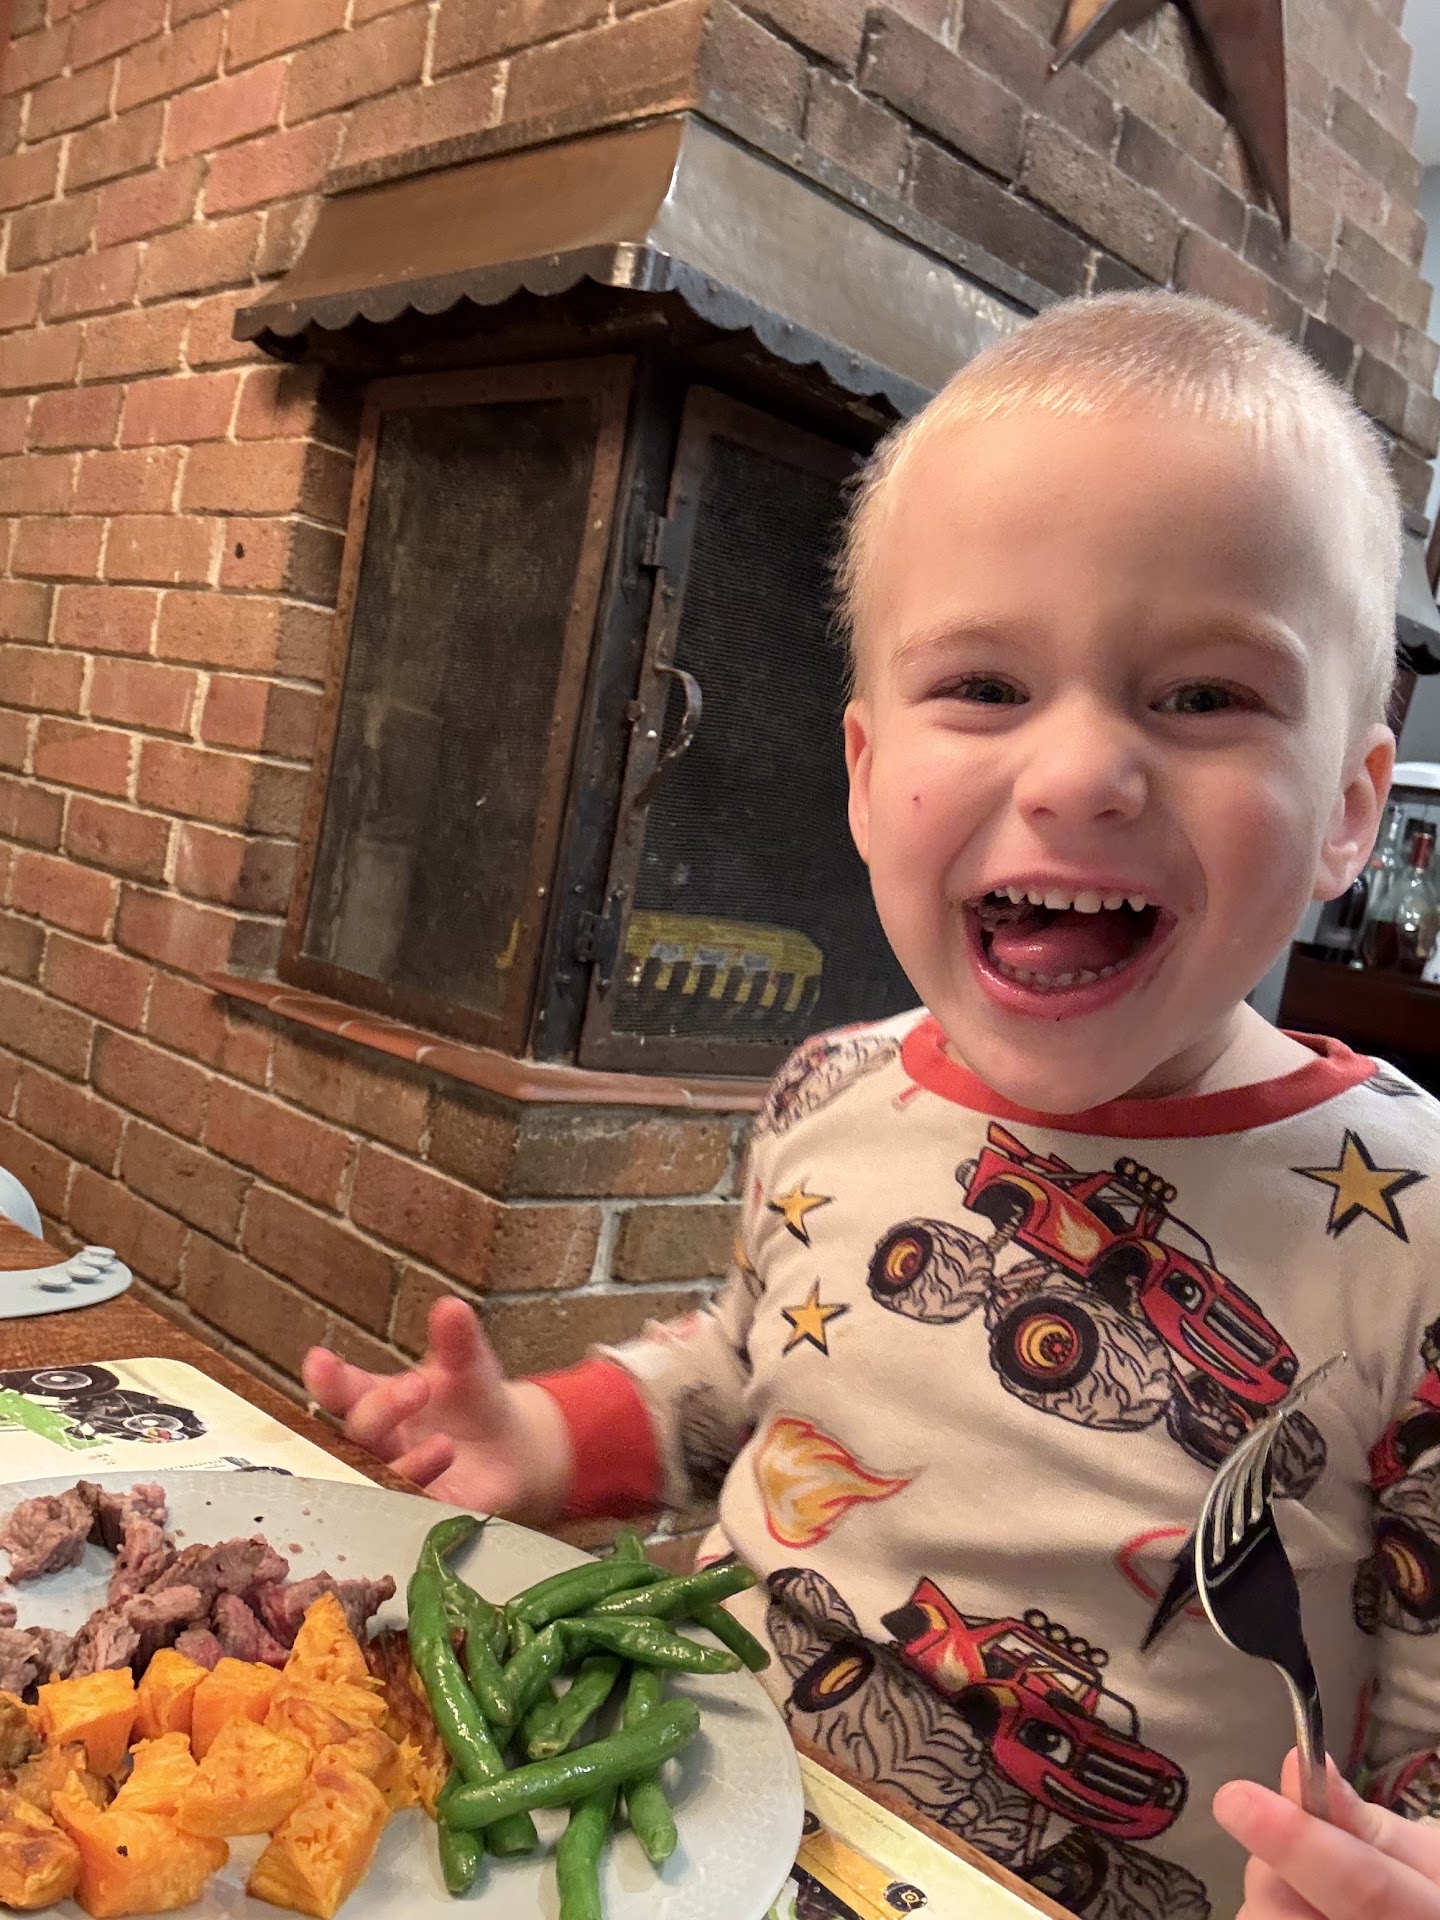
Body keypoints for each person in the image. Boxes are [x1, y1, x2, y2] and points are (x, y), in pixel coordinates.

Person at [305, 292, 1440, 1919]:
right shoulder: (831, 1090)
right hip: (685, 1834)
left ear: (1347, 808)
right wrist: (545, 1438)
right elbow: (746, 1374)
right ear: (857, 770)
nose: (1078, 774)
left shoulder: (1416, 1222)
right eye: (983, 684)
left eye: (1203, 698)